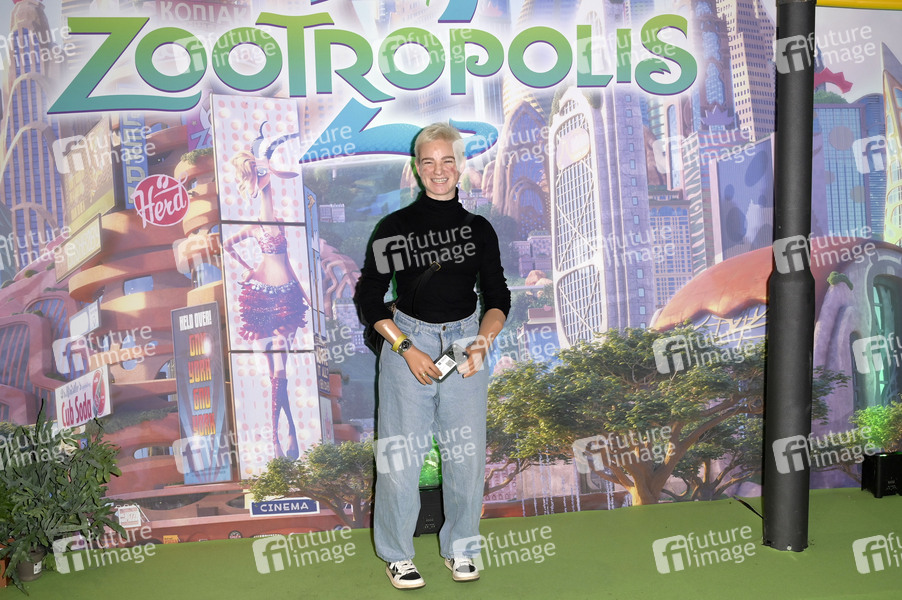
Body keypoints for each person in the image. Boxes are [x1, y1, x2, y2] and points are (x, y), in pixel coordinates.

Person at [354, 123, 510, 589]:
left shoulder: (479, 229)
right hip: (409, 341)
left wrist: (482, 342)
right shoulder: (395, 227)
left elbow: (498, 295)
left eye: (447, 161)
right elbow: (369, 296)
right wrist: (404, 346)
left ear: (460, 166)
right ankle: (397, 554)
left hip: (466, 342)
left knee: (466, 456)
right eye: (428, 161)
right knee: (400, 457)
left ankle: (462, 548)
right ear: (417, 168)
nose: (438, 171)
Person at [222, 126, 311, 460]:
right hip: (260, 300)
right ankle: (280, 438)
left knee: (280, 370)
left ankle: (285, 437)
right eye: (260, 173)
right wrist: (247, 268)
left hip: (287, 299)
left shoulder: (279, 223)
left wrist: (305, 295)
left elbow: (287, 262)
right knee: (276, 371)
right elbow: (226, 245)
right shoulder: (253, 226)